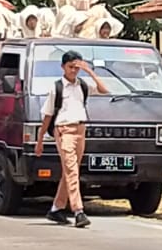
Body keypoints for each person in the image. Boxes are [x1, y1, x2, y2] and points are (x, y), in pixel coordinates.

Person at [33, 50, 109, 229]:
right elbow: (47, 115)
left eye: (77, 67)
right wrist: (40, 140)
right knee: (72, 170)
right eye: (71, 67)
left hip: (80, 130)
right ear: (63, 67)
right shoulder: (57, 87)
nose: (74, 71)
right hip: (64, 131)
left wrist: (90, 71)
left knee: (70, 171)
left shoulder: (82, 85)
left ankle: (56, 208)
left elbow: (104, 90)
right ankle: (78, 210)